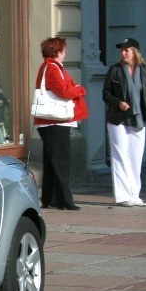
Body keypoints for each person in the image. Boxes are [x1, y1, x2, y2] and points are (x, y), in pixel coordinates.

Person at [102, 37, 146, 207]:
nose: (123, 53)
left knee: (135, 158)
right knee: (120, 156)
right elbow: (105, 94)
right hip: (118, 119)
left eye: (126, 50)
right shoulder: (115, 70)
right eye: (121, 50)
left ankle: (134, 195)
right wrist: (118, 103)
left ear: (135, 52)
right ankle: (123, 196)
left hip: (139, 119)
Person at [34, 36, 89, 210]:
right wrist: (80, 89)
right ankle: (64, 200)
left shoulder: (48, 67)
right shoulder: (53, 68)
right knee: (61, 161)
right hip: (55, 121)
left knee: (52, 161)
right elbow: (64, 91)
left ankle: (49, 197)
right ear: (57, 52)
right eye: (64, 51)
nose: (65, 54)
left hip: (49, 121)